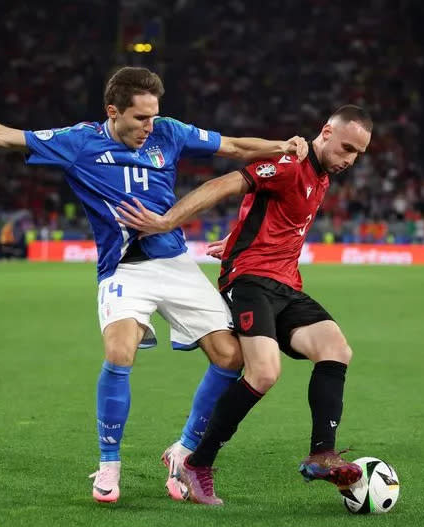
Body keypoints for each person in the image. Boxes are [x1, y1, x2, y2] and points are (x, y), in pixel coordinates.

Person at [0, 66, 307, 503]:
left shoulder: (169, 132)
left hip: (176, 262)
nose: (150, 126)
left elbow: (235, 146)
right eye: (141, 118)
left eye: (154, 115)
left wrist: (283, 145)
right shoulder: (79, 142)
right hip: (124, 268)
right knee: (119, 350)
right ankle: (109, 466)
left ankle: (183, 452)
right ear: (113, 111)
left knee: (230, 355)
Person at [115, 105, 372, 505]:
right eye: (346, 148)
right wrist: (167, 221)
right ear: (325, 132)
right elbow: (224, 184)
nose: (350, 160)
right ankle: (199, 462)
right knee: (264, 372)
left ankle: (322, 454)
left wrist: (234, 241)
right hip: (249, 282)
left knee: (336, 349)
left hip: (286, 285)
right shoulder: (289, 164)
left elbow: (272, 218)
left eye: (357, 154)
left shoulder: (321, 175)